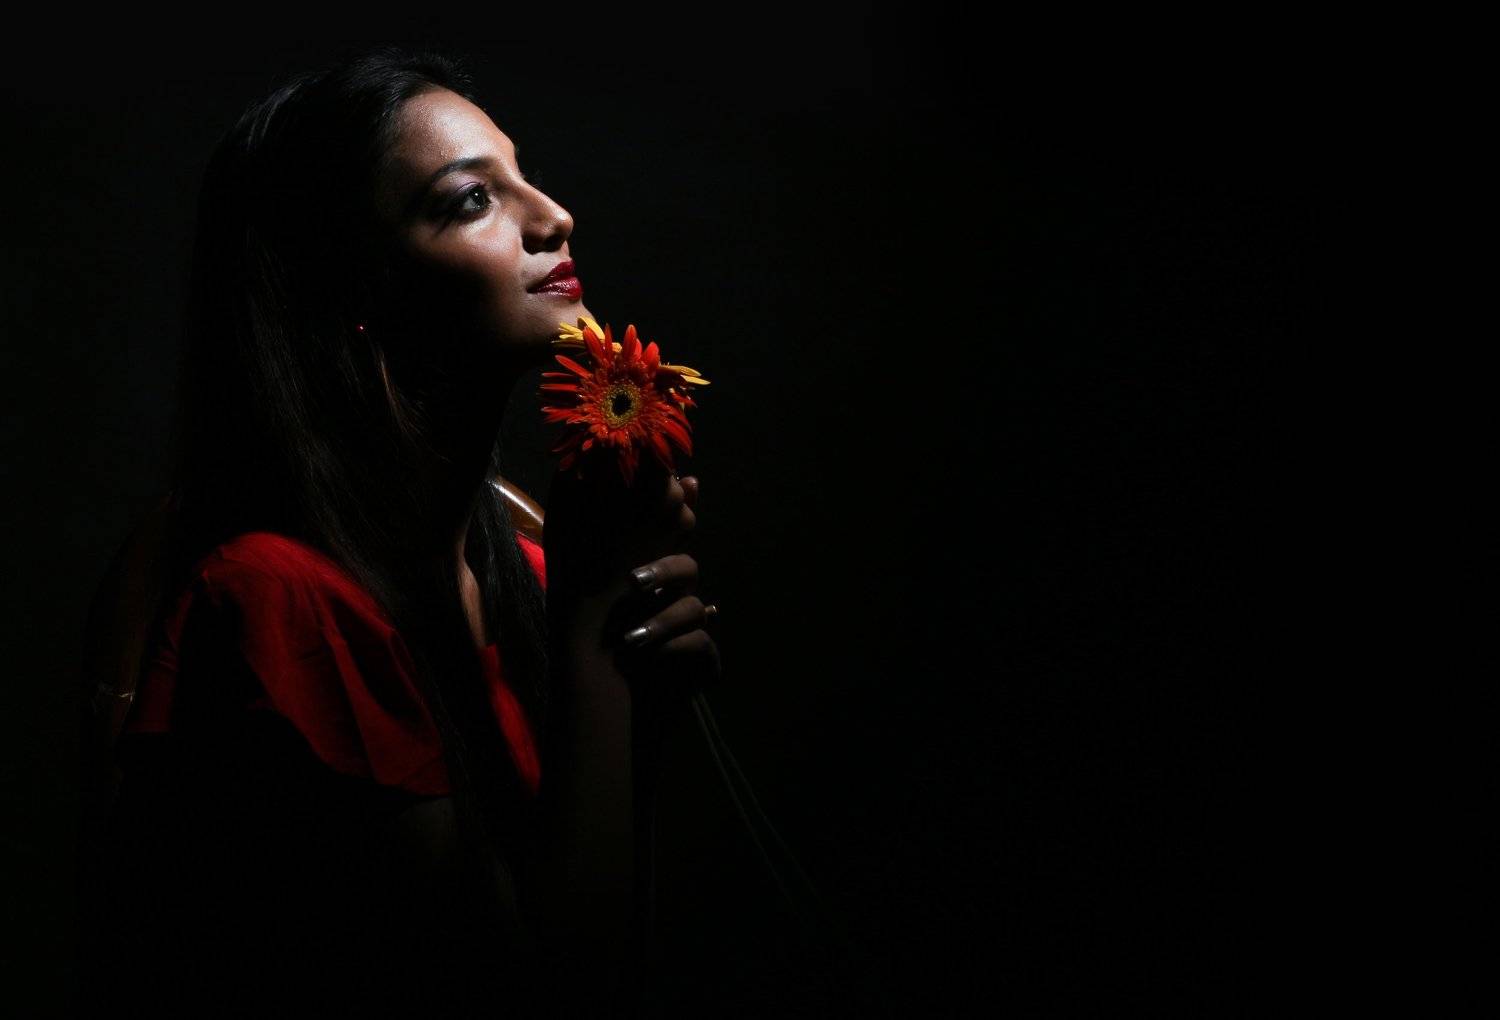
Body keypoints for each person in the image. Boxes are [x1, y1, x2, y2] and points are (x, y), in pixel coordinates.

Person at [76, 44, 721, 1018]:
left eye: (523, 176)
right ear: (353, 295)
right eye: (472, 199)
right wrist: (596, 644)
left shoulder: (527, 571)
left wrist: (637, 712)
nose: (554, 217)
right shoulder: (279, 605)